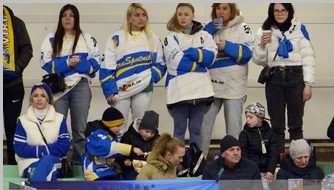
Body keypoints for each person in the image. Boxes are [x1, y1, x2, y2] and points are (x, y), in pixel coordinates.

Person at [40, 4, 100, 165]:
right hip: (58, 89)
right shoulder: (51, 38)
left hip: (81, 87)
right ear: (60, 18)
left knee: (79, 130)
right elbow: (45, 63)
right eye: (64, 15)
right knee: (56, 128)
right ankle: (57, 163)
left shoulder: (87, 38)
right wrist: (67, 63)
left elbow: (95, 64)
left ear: (76, 18)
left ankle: (79, 165)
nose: (67, 18)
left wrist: (77, 64)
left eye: (71, 15)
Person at [252, 3, 315, 144]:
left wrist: (308, 84)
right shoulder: (263, 30)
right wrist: (262, 46)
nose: (280, 14)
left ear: (289, 12)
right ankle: (277, 156)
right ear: (272, 12)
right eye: (276, 11)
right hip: (274, 77)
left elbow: (308, 57)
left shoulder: (300, 29)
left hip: (296, 76)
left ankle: (297, 156)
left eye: (283, 11)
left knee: (296, 125)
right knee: (276, 125)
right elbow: (257, 60)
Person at [100, 3, 166, 133]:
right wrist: (109, 90)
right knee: (118, 126)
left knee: (140, 126)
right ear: (129, 18)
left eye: (144, 15)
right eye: (137, 15)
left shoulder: (153, 38)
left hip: (144, 87)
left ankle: (136, 147)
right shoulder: (117, 37)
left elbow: (161, 63)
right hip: (120, 89)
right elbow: (107, 64)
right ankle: (119, 147)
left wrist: (150, 77)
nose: (141, 18)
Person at [200, 3, 254, 154]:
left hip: (234, 88)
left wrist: (226, 47)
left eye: (225, 8)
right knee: (203, 127)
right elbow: (197, 47)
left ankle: (233, 162)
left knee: (233, 130)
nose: (221, 12)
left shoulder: (243, 28)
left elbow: (247, 54)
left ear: (232, 10)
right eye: (218, 8)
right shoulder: (207, 27)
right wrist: (210, 30)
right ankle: (199, 162)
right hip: (211, 86)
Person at [163, 3, 217, 151]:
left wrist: (193, 53)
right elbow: (175, 62)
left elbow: (210, 59)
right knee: (179, 129)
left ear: (193, 16)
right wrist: (200, 65)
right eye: (180, 14)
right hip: (179, 92)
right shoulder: (170, 37)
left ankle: (196, 162)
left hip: (201, 91)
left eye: (186, 14)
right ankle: (178, 162)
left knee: (196, 129)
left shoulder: (205, 36)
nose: (183, 17)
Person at [14, 83, 71, 182]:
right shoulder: (22, 120)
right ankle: (41, 189)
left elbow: (64, 146)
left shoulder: (60, 118)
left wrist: (40, 152)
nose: (39, 99)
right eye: (35, 96)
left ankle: (34, 188)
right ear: (31, 99)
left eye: (43, 96)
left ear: (48, 99)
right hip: (29, 163)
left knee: (47, 161)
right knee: (46, 171)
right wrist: (45, 151)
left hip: (54, 161)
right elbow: (20, 149)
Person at [3, 5, 33, 165]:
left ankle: (12, 163)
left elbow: (27, 49)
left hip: (13, 84)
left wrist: (16, 68)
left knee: (11, 126)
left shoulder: (16, 23)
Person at [83, 107, 143, 180]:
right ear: (109, 125)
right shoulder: (96, 135)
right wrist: (131, 149)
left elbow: (114, 157)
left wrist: (122, 165)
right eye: (117, 126)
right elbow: (108, 148)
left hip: (108, 171)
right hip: (95, 173)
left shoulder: (111, 135)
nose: (120, 128)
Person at [239, 102, 281, 181]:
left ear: (260, 118)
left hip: (267, 172)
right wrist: (250, 171)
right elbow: (244, 154)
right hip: (251, 172)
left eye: (251, 117)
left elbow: (273, 153)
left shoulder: (271, 134)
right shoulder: (244, 134)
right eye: (246, 117)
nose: (247, 120)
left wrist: (270, 170)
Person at [119, 110, 160, 180]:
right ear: (139, 128)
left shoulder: (158, 139)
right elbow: (120, 153)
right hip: (132, 169)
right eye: (147, 131)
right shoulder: (128, 136)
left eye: (152, 133)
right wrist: (125, 161)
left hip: (152, 169)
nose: (149, 135)